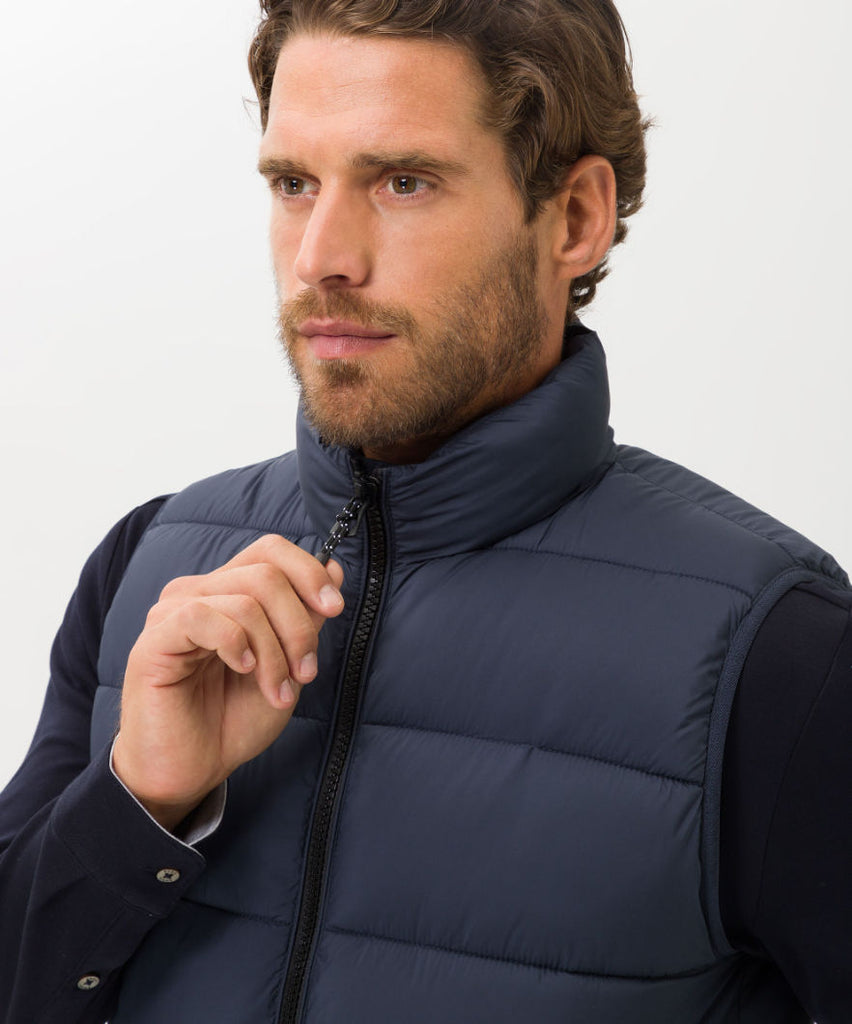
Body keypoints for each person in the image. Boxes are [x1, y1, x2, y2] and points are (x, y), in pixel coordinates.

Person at [0, 0, 850, 1021]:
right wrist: (138, 801)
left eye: (403, 181)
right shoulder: (149, 569)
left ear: (575, 219)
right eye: (293, 183)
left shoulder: (778, 656)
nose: (321, 257)